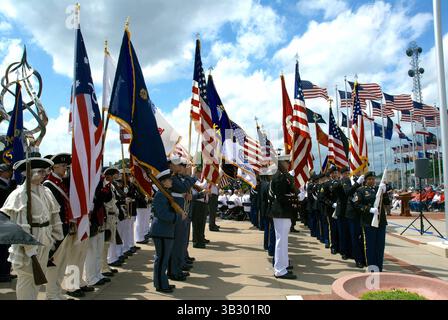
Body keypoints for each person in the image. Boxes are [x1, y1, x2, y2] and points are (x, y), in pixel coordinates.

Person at [1, 157, 63, 300]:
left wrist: (55, 237)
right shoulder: (20, 194)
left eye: (44, 172)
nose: (44, 175)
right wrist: (30, 248)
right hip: (29, 243)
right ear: (29, 173)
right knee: (27, 278)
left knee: (37, 279)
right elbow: (20, 225)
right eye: (40, 172)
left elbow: (54, 216)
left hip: (45, 239)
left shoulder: (45, 190)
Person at [44, 153, 77, 300]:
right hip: (56, 230)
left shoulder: (61, 183)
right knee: (54, 264)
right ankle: (51, 294)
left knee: (62, 263)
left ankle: (57, 292)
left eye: (66, 166)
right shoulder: (48, 185)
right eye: (63, 166)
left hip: (65, 228)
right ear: (54, 167)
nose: (65, 169)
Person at [150, 169, 187, 293]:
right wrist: (178, 217)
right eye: (169, 179)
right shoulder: (160, 194)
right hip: (161, 230)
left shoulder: (165, 193)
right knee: (161, 259)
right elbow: (162, 214)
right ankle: (160, 285)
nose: (171, 181)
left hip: (165, 230)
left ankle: (162, 281)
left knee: (164, 259)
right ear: (163, 182)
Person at [268, 154, 297, 280]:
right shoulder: (279, 177)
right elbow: (280, 197)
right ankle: (279, 270)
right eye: (287, 162)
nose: (288, 164)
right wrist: (294, 197)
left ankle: (283, 266)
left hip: (284, 212)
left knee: (283, 241)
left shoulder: (283, 176)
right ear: (281, 163)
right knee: (281, 241)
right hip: (281, 212)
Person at [354, 171, 389, 272]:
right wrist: (368, 209)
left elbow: (386, 203)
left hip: (381, 221)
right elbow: (357, 205)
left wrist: (385, 192)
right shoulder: (360, 191)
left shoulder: (379, 189)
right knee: (370, 245)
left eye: (373, 179)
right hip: (368, 221)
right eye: (369, 179)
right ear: (365, 180)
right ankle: (372, 267)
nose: (372, 181)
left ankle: (379, 267)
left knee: (380, 245)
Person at [338, 167, 365, 268]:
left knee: (359, 236)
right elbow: (347, 192)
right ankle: (358, 258)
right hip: (351, 211)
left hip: (361, 210)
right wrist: (357, 183)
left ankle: (361, 256)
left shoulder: (360, 179)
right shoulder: (346, 180)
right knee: (354, 236)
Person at [0, 164, 17, 283]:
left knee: (8, 248)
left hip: (9, 219)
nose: (10, 173)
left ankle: (6, 271)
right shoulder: (4, 185)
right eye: (8, 171)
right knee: (2, 248)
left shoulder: (10, 183)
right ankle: (2, 273)